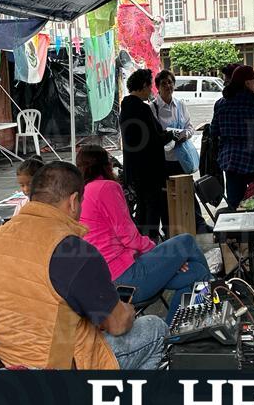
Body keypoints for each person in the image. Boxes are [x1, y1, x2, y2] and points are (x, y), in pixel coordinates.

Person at [0, 161, 167, 374]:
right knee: (155, 328)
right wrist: (127, 311)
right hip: (54, 368)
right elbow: (117, 325)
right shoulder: (74, 250)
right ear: (74, 201)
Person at [76, 145, 210, 324]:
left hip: (106, 282)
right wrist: (165, 256)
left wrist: (169, 261)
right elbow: (129, 237)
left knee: (197, 273)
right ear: (106, 165)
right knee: (186, 241)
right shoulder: (105, 188)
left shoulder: (82, 194)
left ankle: (173, 335)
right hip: (124, 279)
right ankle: (213, 298)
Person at [210, 65, 254, 208]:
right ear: (247, 83)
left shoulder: (221, 104)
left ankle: (237, 229)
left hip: (231, 162)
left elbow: (214, 131)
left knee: (235, 205)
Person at [152, 69, 208, 233]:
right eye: (164, 83)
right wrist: (169, 136)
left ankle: (198, 225)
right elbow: (155, 136)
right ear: (158, 87)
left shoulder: (181, 105)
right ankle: (170, 228)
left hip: (182, 158)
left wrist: (186, 134)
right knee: (167, 196)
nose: (168, 86)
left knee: (188, 192)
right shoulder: (153, 108)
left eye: (170, 82)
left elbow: (189, 127)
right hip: (165, 160)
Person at [119, 69, 173, 239]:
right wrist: (170, 134)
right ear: (143, 86)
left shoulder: (125, 108)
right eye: (150, 86)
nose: (151, 90)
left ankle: (141, 243)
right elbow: (154, 139)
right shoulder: (142, 109)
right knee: (151, 208)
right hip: (149, 169)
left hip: (133, 169)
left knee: (141, 209)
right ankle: (150, 243)